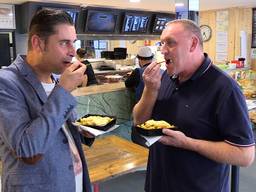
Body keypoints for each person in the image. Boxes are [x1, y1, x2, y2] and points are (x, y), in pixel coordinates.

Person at [132, 19, 255, 192]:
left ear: (193, 44)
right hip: (158, 183)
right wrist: (150, 90)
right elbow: (139, 121)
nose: (163, 50)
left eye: (171, 43)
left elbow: (245, 155)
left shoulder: (225, 88)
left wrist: (188, 143)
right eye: (162, 43)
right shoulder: (166, 76)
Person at [0, 9, 94, 192]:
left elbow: (59, 129)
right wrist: (64, 91)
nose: (72, 52)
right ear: (38, 43)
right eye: (64, 43)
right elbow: (26, 148)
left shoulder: (57, 80)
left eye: (73, 43)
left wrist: (83, 132)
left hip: (72, 182)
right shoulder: (7, 82)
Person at [125, 47, 154, 147]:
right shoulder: (163, 71)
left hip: (142, 113)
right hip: (157, 114)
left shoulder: (138, 72)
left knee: (138, 140)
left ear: (140, 59)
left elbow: (127, 84)